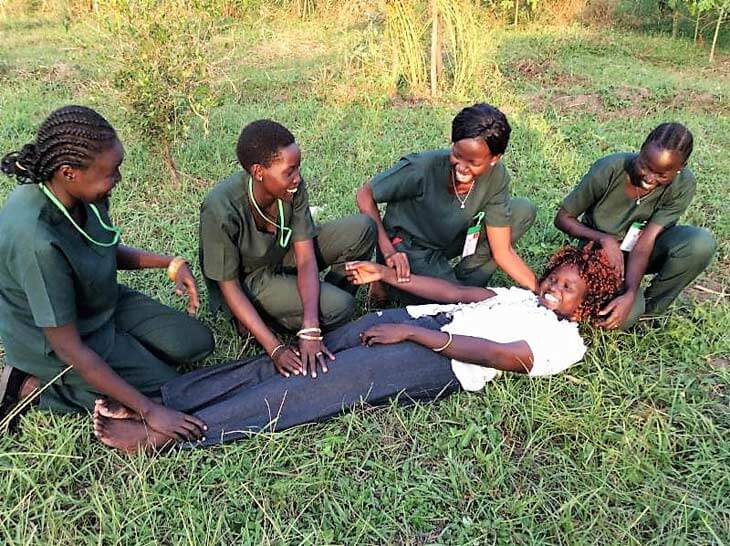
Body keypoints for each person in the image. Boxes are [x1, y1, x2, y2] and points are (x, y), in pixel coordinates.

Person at [91, 244, 621, 453]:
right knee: (296, 358)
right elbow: (458, 293)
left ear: (587, 302)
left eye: (569, 289)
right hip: (416, 323)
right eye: (555, 276)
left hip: (439, 359)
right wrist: (387, 277)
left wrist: (414, 335)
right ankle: (165, 397)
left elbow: (501, 356)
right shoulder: (523, 297)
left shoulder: (564, 340)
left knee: (314, 387)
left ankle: (166, 436)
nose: (554, 287)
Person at [0, 105, 213, 442]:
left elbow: (98, 246)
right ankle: (34, 386)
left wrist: (169, 263)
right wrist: (150, 411)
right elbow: (70, 349)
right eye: (111, 173)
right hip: (61, 338)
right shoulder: (36, 240)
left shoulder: (80, 193)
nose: (117, 180)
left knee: (196, 343)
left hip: (101, 302)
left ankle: (124, 355)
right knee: (167, 390)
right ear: (69, 172)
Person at [199, 120, 376, 380]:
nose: (298, 178)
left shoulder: (290, 188)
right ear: (259, 171)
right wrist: (275, 348)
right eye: (290, 171)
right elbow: (229, 286)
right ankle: (255, 322)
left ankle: (317, 307)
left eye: (298, 169)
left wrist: (311, 326)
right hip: (251, 282)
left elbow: (305, 259)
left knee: (362, 228)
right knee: (340, 307)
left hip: (283, 255)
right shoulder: (220, 207)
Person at [356, 103, 537, 303]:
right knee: (451, 303)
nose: (461, 167)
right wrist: (388, 252)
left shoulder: (497, 176)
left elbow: (502, 251)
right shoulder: (422, 168)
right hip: (409, 247)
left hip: (451, 236)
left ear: (494, 158)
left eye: (473, 163)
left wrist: (541, 293)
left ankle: (462, 284)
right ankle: (393, 282)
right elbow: (365, 194)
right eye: (457, 155)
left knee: (521, 211)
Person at [554, 123, 716, 330]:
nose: (649, 178)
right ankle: (629, 309)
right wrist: (604, 239)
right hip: (599, 252)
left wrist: (630, 293)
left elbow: (645, 243)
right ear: (640, 150)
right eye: (645, 166)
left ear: (680, 168)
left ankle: (649, 312)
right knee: (625, 318)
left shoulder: (683, 184)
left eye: (662, 175)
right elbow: (563, 218)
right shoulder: (610, 168)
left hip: (642, 250)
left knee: (699, 244)